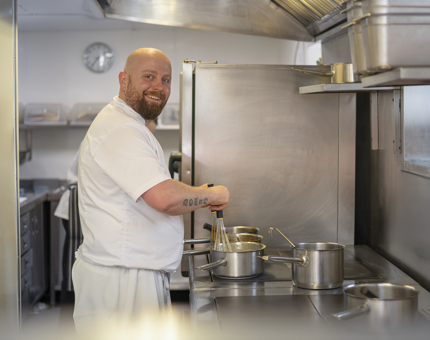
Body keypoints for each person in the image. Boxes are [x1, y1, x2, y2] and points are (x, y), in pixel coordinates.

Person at [72, 48, 230, 333]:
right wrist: (214, 194)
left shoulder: (129, 123)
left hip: (128, 271)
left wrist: (199, 191)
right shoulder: (121, 128)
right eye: (149, 77)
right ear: (123, 80)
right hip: (123, 280)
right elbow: (163, 198)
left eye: (166, 80)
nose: (159, 87)